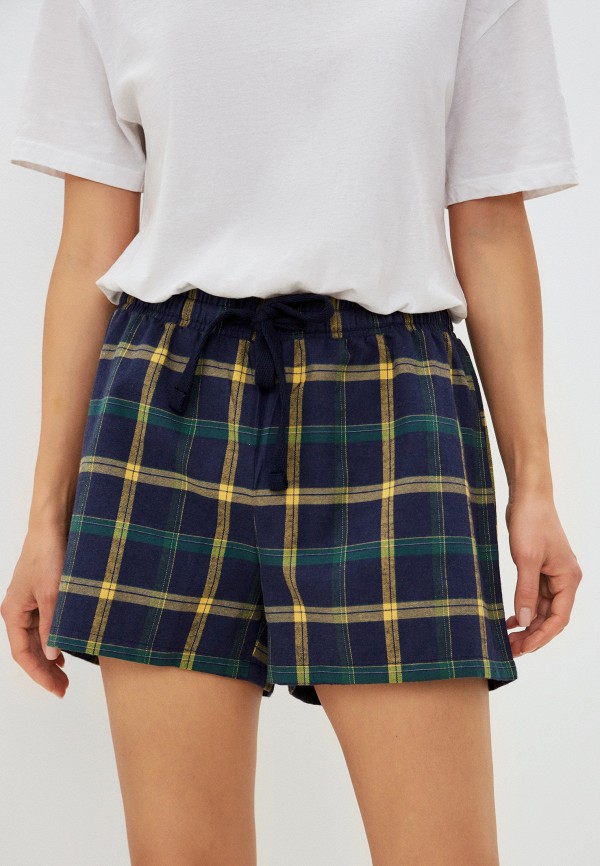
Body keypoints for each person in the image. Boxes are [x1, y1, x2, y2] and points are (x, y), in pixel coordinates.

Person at [2, 1, 583, 863]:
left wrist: (534, 485)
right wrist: (45, 518)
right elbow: (90, 245)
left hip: (394, 404)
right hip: (170, 401)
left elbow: (491, 225)